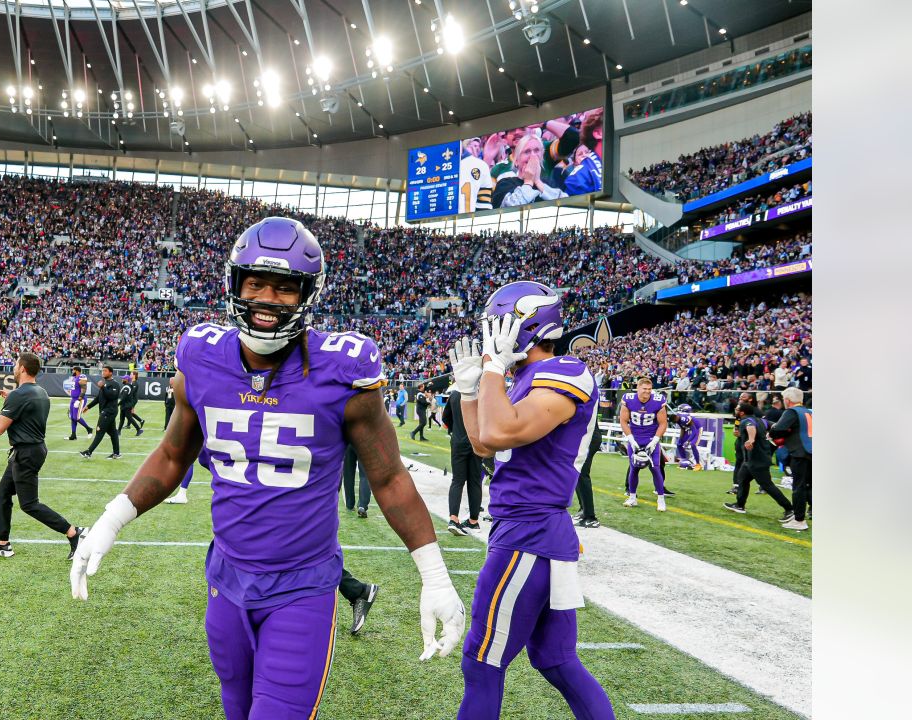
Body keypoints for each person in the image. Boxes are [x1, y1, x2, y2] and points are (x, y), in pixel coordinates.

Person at [71, 217, 465, 719]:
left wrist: (434, 575)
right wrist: (111, 520)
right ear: (234, 284)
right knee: (235, 709)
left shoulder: (344, 368)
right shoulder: (201, 355)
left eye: (284, 288)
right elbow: (174, 454)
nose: (266, 298)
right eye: (255, 283)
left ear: (307, 294)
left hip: (302, 587)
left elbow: (388, 477)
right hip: (226, 578)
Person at [450, 280, 615, 720]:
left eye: (499, 325)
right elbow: (485, 444)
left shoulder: (565, 370)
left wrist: (491, 371)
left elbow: (503, 431)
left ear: (530, 323)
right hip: (532, 531)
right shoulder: (524, 377)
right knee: (556, 660)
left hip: (530, 531)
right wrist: (470, 393)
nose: (492, 335)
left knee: (481, 660)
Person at [0, 353, 84, 559]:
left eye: (15, 364)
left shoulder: (19, 395)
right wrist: (10, 398)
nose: (13, 366)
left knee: (29, 504)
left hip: (26, 453)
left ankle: (74, 533)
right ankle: (2, 543)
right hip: (30, 450)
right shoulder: (40, 391)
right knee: (3, 493)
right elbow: (26, 410)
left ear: (22, 368)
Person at [723, 403, 793, 520]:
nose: (735, 409)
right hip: (753, 459)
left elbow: (751, 427)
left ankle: (789, 509)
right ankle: (740, 505)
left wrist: (751, 439)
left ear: (742, 412)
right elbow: (775, 426)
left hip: (757, 459)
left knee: (767, 485)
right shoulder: (762, 421)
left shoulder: (746, 421)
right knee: (742, 478)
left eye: (737, 409)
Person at [620, 377, 669, 511]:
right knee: (634, 467)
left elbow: (663, 423)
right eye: (644, 389)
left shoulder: (658, 401)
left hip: (650, 438)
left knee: (655, 468)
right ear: (638, 388)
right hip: (634, 438)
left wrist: (655, 440)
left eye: (649, 389)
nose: (647, 392)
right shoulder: (628, 399)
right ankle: (632, 497)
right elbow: (623, 421)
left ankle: (661, 499)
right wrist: (630, 438)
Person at [442, 388, 485, 536]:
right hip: (476, 441)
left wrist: (456, 429)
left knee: (457, 480)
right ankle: (473, 521)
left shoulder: (454, 395)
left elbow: (445, 418)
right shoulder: (481, 393)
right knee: (474, 481)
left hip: (458, 441)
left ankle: (453, 518)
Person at [770, 387, 812, 531]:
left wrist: (776, 431)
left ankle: (799, 520)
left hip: (800, 452)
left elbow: (777, 430)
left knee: (799, 487)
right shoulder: (809, 411)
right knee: (810, 486)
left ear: (787, 400)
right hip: (812, 451)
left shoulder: (792, 412)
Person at [79, 366, 122, 459]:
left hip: (108, 412)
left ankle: (88, 452)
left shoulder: (115, 384)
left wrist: (103, 387)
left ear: (111, 373)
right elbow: (99, 398)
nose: (103, 372)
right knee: (113, 433)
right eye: (103, 371)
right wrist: (88, 406)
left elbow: (112, 396)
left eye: (105, 371)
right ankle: (117, 453)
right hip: (106, 411)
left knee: (99, 431)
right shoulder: (105, 383)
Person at [572, 422, 602, 528]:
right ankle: (583, 510)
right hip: (583, 436)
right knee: (576, 472)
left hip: (588, 437)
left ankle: (590, 517)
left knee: (582, 474)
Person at [341, 444, 373, 518]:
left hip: (348, 441)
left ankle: (349, 504)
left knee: (348, 474)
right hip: (364, 441)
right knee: (365, 475)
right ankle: (362, 506)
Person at [66, 365, 94, 440]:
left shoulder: (82, 376)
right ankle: (73, 435)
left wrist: (79, 400)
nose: (72, 371)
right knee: (72, 418)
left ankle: (89, 429)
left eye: (73, 370)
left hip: (80, 399)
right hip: (73, 399)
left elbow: (84, 389)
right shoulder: (74, 378)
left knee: (77, 417)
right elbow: (73, 388)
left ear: (76, 371)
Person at [672, 403, 702, 470]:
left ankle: (698, 464)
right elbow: (683, 428)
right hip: (689, 430)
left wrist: (688, 441)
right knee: (679, 444)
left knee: (693, 445)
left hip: (696, 430)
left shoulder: (685, 418)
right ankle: (685, 461)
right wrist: (680, 439)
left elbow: (694, 431)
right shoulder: (679, 417)